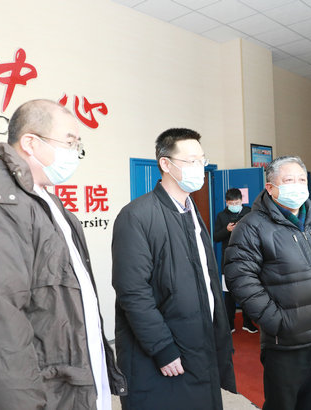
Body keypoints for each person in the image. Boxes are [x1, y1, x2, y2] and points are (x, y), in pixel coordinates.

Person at [0, 99, 126, 409]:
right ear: (31, 143)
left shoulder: (43, 200)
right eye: (70, 142)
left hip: (66, 390)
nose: (76, 152)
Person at [111, 128, 236, 409]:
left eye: (202, 160)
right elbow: (133, 291)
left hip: (198, 341)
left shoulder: (191, 212)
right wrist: (162, 348)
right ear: (165, 164)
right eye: (191, 161)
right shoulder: (136, 216)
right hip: (165, 351)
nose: (199, 168)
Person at [225, 156, 311, 410]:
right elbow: (240, 278)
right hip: (286, 341)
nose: (297, 185)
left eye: (301, 180)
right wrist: (277, 322)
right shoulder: (251, 226)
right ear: (270, 188)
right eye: (289, 180)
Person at [213, 188, 257, 333]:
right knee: (229, 294)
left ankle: (247, 323)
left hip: (247, 258)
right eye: (231, 203)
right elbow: (216, 237)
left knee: (248, 292)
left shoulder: (249, 212)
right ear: (226, 202)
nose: (234, 205)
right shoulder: (221, 216)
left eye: (237, 202)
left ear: (241, 201)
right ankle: (229, 324)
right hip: (229, 259)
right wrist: (227, 230)